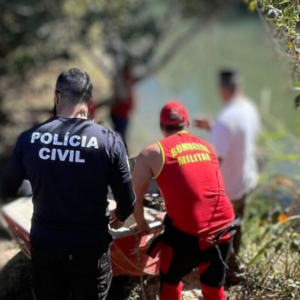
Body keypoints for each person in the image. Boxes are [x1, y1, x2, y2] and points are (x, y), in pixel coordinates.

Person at [3, 68, 136, 300]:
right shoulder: (109, 141)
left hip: (45, 244)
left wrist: (37, 185)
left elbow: (8, 188)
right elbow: (127, 200)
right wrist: (122, 215)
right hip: (89, 246)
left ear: (56, 97)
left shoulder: (29, 138)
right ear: (89, 101)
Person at [133, 102, 235, 300]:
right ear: (187, 124)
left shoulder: (152, 152)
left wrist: (143, 226)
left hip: (187, 240)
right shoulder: (207, 147)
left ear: (162, 127)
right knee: (213, 288)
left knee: (170, 286)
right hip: (223, 233)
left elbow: (134, 199)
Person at [193, 70, 260, 285]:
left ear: (222, 89)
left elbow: (215, 162)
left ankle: (225, 273)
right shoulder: (248, 108)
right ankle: (235, 267)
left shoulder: (225, 120)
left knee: (221, 231)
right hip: (244, 181)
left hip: (229, 188)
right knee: (237, 225)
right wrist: (213, 128)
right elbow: (238, 137)